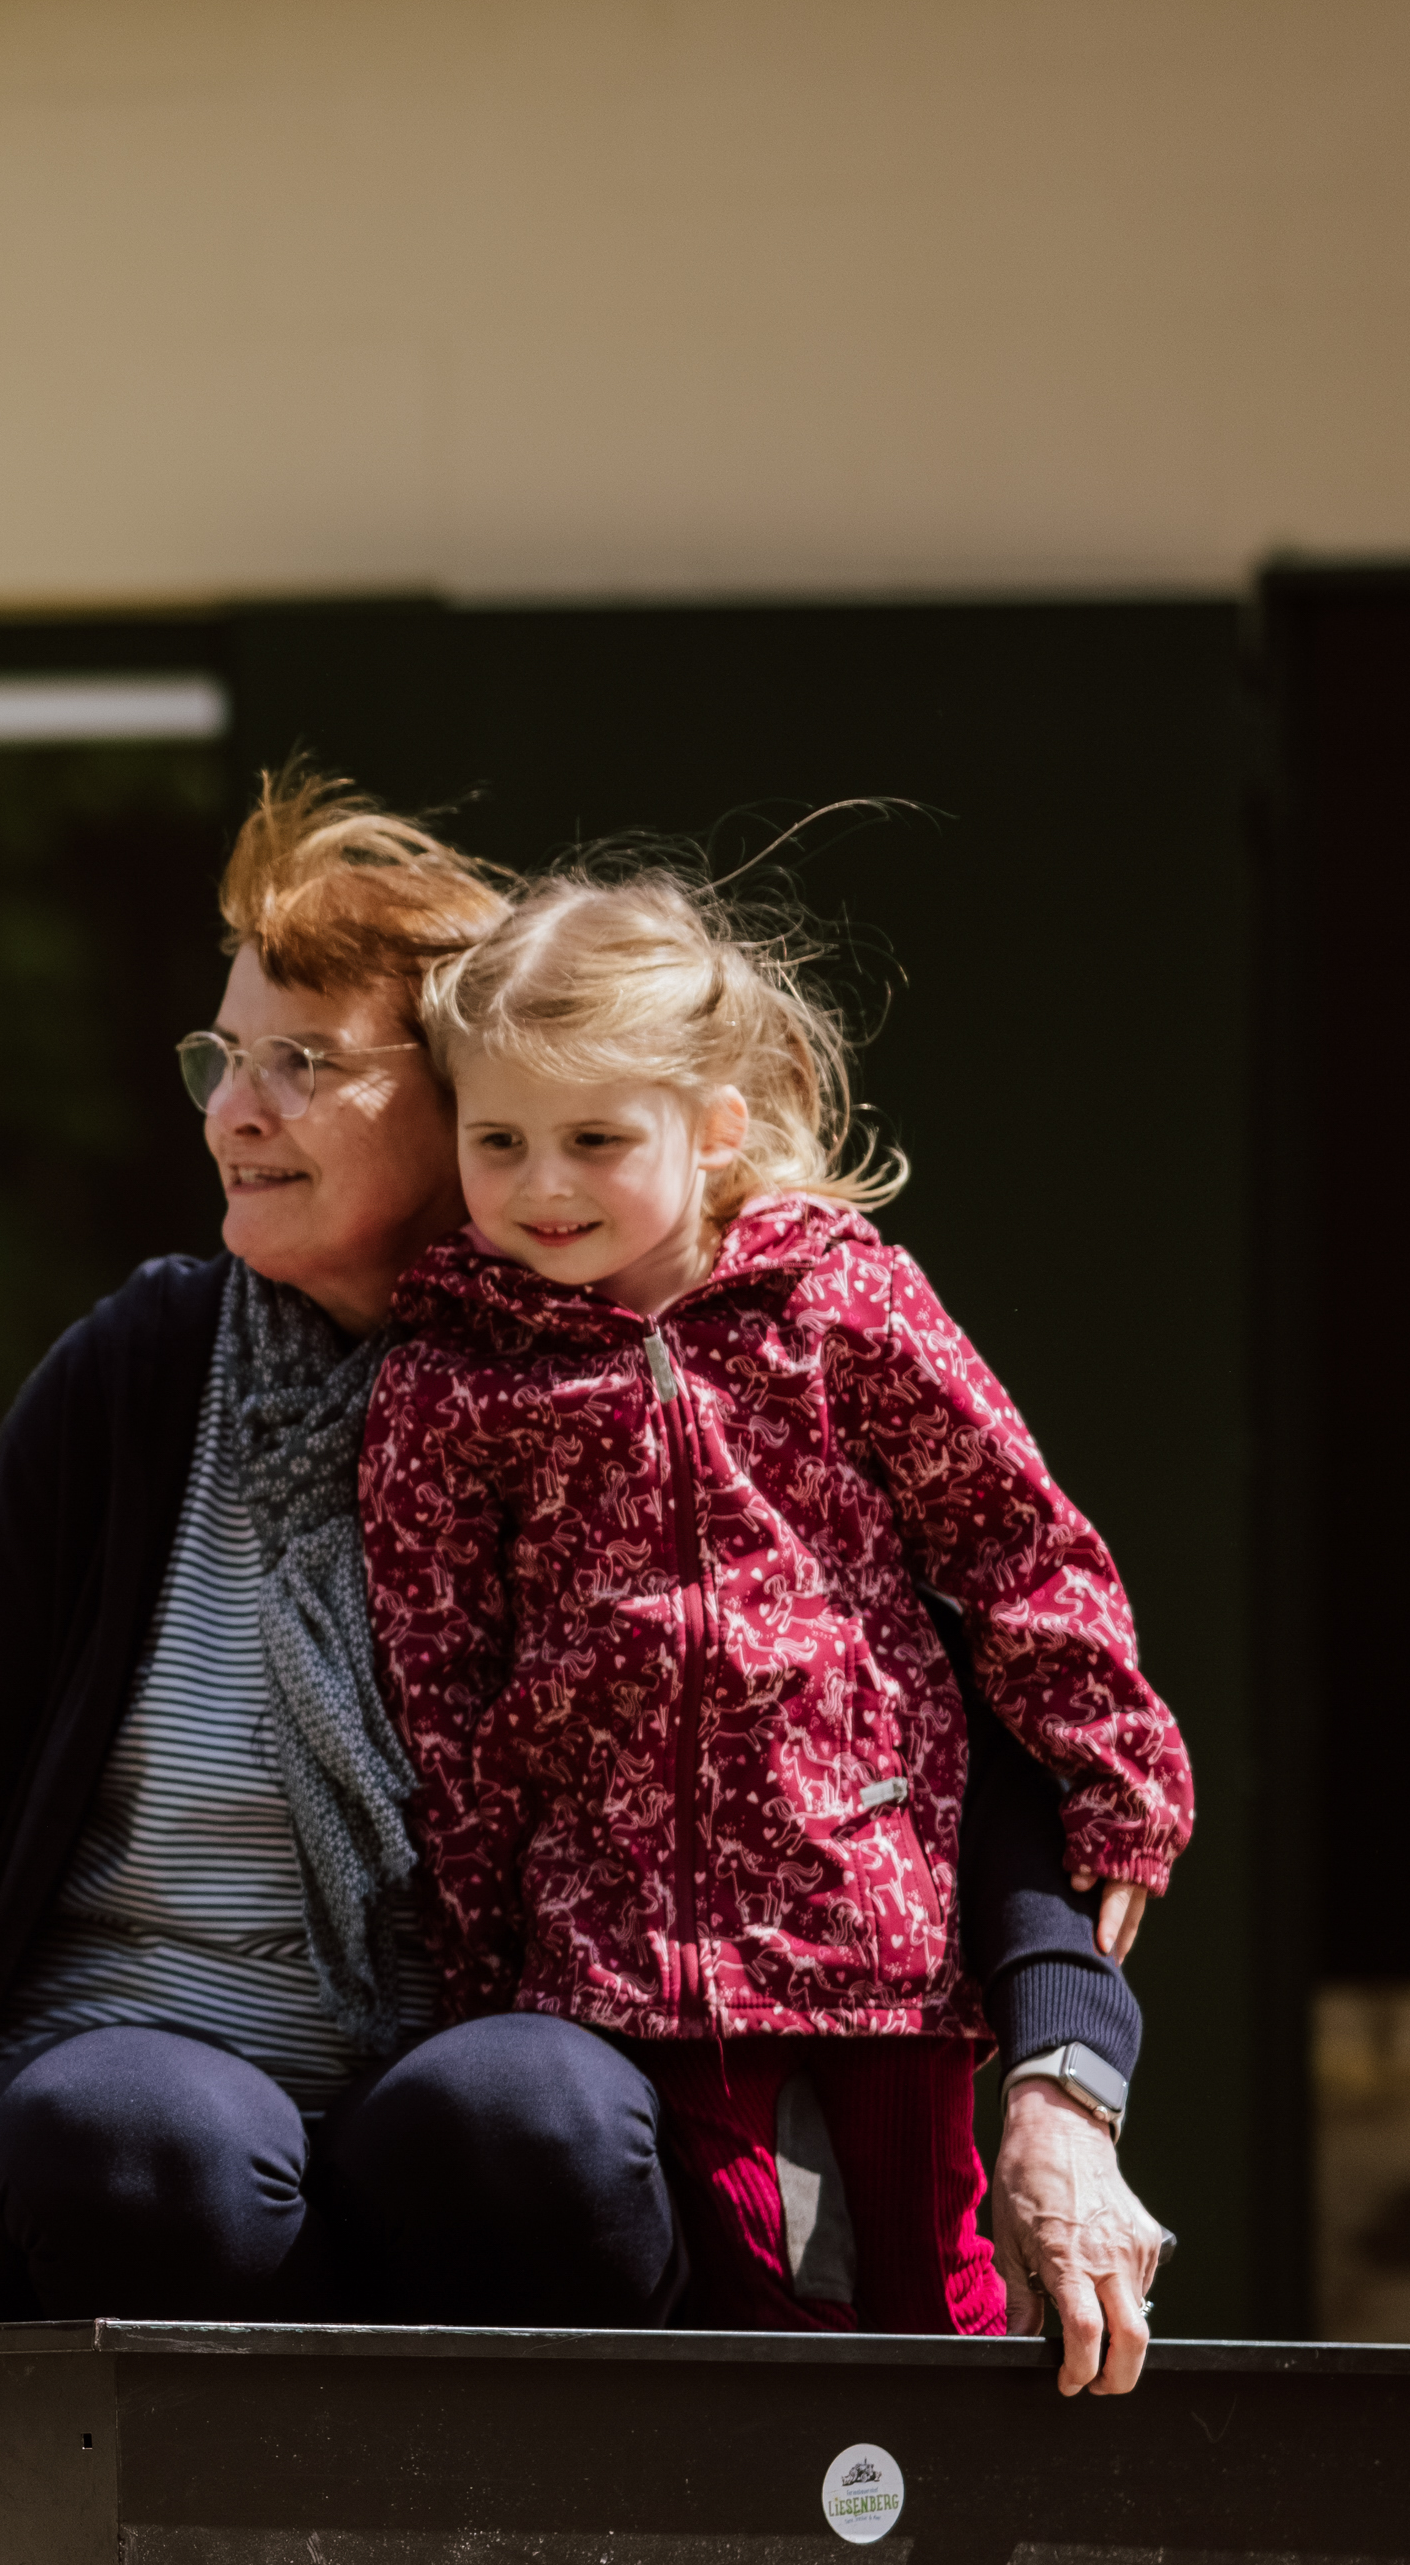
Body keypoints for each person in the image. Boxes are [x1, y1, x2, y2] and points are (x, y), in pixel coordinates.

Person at [0, 777, 1180, 2391]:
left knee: (543, 2117)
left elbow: (920, 1714)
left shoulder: (666, 1390)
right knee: (153, 2143)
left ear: (458, 1094)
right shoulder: (137, 1381)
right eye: (221, 1053)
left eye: (303, 1062)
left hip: (446, 2121)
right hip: (115, 2108)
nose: (232, 1109)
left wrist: (1061, 2078)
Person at [366, 869, 1189, 2334]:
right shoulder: (455, 1376)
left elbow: (1016, 1542)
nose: (542, 1186)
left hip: (866, 1914)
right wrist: (481, 1946)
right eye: (498, 1143)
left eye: (594, 1139)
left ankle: (962, 2560)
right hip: (617, 1952)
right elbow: (444, 1680)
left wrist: (1115, 1772)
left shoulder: (837, 1303)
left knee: (931, 2292)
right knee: (757, 2290)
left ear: (716, 1126)